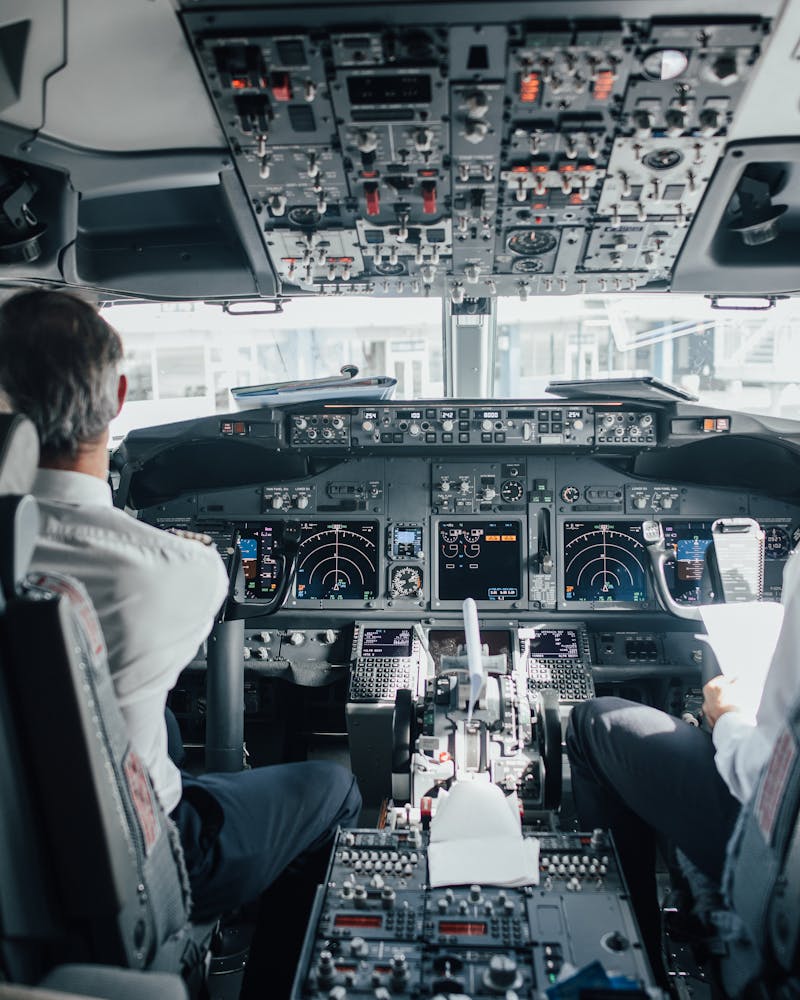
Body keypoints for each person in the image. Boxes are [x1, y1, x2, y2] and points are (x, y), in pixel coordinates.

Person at [0, 288, 361, 997]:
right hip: (139, 859)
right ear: (122, 395)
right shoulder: (180, 572)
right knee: (337, 786)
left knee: (158, 715)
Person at [566, 546, 800, 984]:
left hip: (773, 845)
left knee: (594, 723)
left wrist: (727, 718)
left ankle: (636, 965)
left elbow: (763, 776)